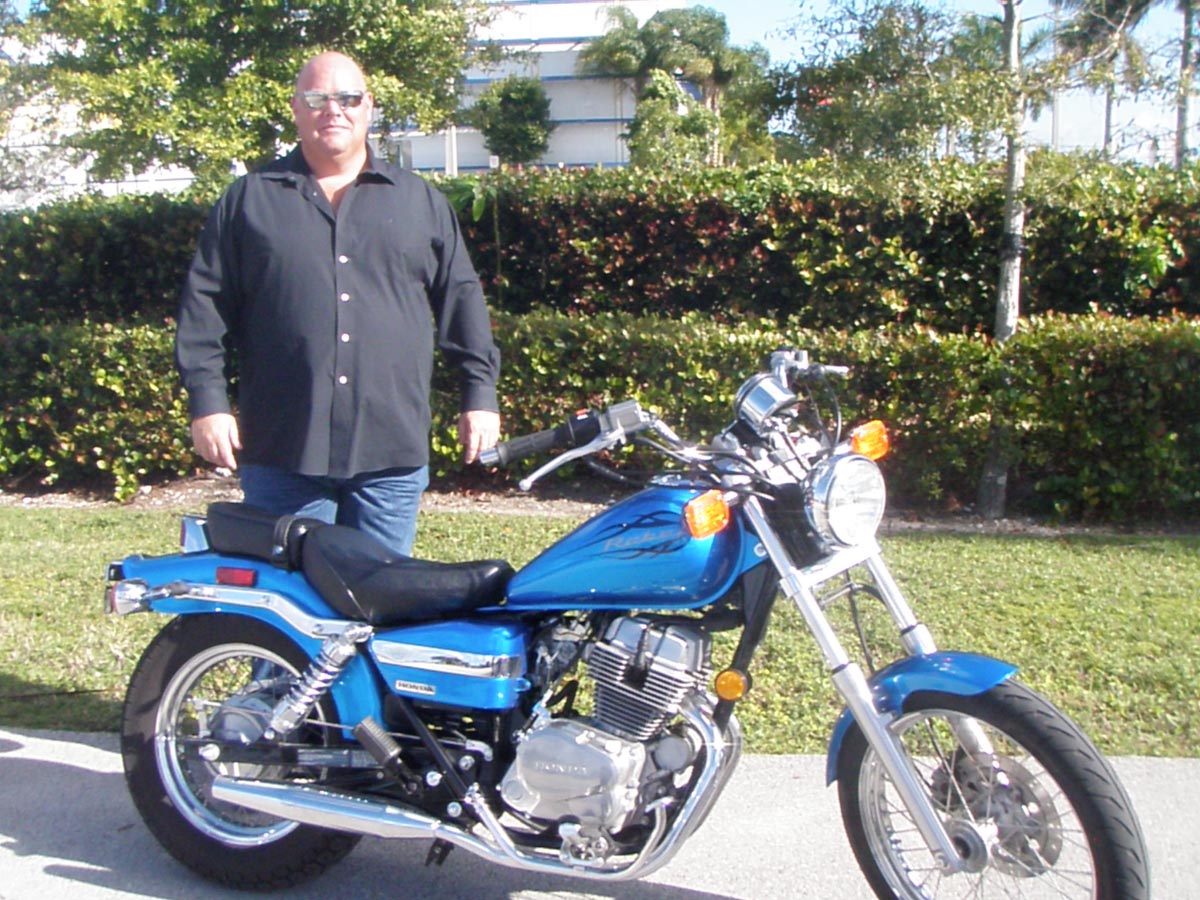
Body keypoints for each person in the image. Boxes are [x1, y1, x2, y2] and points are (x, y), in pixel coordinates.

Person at [175, 51, 501, 556]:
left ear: (368, 107)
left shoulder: (419, 201)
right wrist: (208, 403)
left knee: (382, 593)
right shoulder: (247, 201)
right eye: (317, 98)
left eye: (347, 98)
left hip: (390, 452)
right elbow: (205, 308)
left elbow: (461, 300)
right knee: (290, 598)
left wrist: (479, 394)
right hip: (285, 450)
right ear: (296, 108)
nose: (334, 110)